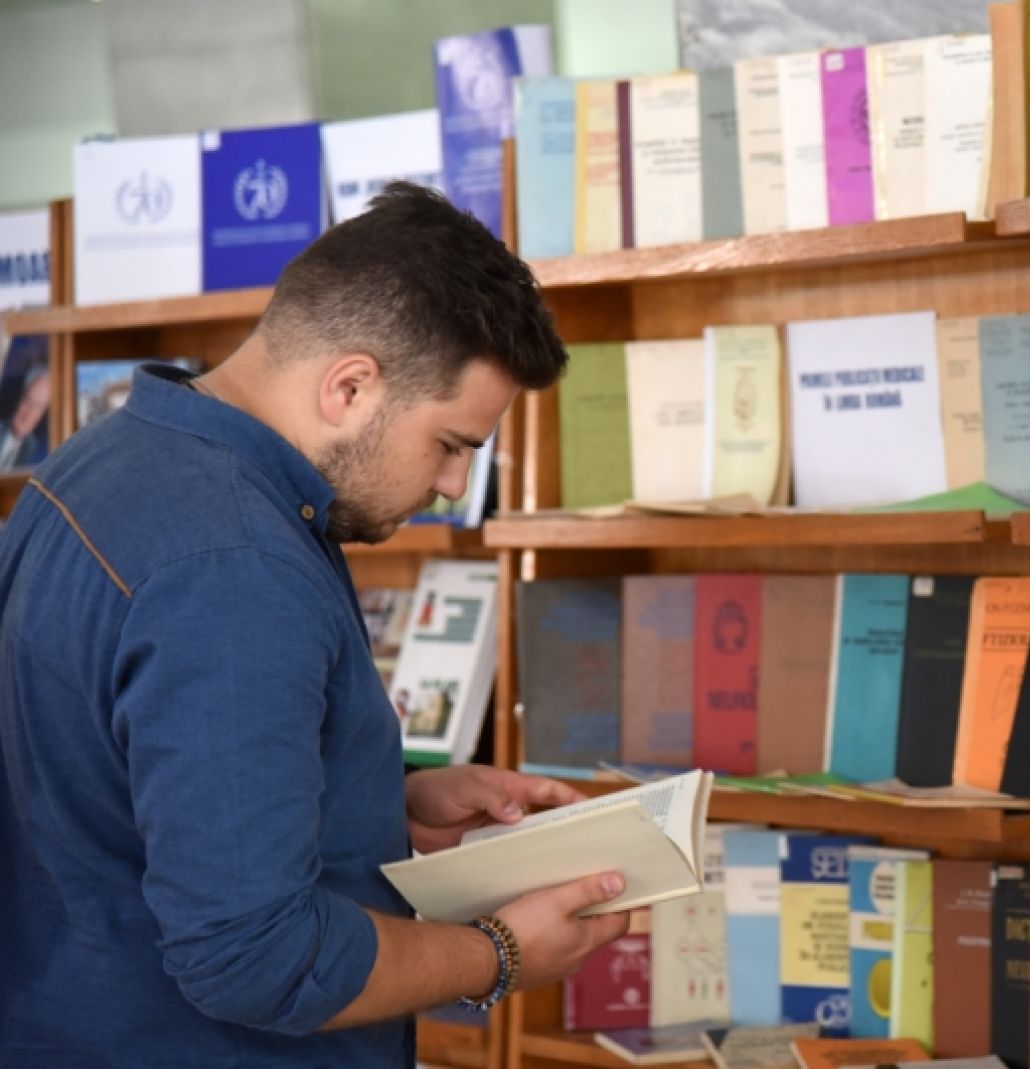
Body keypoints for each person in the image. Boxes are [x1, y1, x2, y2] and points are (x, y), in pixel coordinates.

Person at [0, 183, 631, 1066]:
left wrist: (377, 803)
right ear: (350, 386)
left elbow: (120, 777)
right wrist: (500, 951)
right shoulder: (236, 563)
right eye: (452, 443)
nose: (453, 484)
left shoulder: (103, 458)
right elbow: (256, 957)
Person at [0, 356, 50, 470]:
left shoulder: (39, 456)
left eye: (37, 407)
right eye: (28, 401)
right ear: (20, 397)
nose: (28, 413)